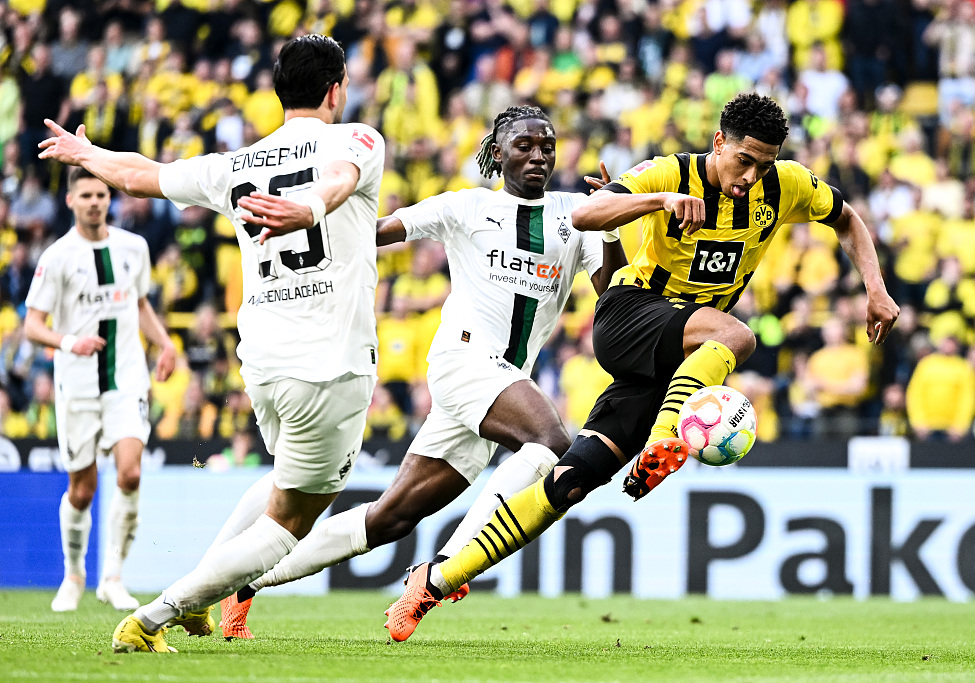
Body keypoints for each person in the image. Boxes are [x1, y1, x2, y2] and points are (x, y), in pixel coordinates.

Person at [384, 93, 900, 640]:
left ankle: (435, 579)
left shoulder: (787, 184)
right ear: (719, 141)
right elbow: (585, 213)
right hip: (630, 314)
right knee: (737, 334)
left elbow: (848, 221)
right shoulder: (669, 171)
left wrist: (876, 288)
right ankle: (664, 439)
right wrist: (660, 200)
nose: (751, 176)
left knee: (570, 481)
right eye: (744, 160)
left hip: (679, 359)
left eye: (764, 164)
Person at [215, 105, 627, 638]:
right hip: (464, 362)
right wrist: (307, 220)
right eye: (525, 146)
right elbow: (380, 230)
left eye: (547, 146)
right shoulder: (466, 207)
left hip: (501, 382)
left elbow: (612, 296)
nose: (539, 156)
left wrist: (611, 224)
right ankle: (440, 573)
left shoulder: (578, 213)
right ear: (498, 153)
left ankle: (243, 583)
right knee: (549, 441)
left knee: (390, 518)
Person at [39, 34, 386, 653]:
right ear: (337, 90)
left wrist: (86, 153)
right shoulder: (358, 137)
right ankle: (158, 614)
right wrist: (307, 210)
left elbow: (143, 176)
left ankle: (195, 600)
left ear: (278, 94)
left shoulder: (237, 164)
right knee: (296, 519)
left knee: (284, 480)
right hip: (328, 364)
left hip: (262, 364)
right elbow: (338, 179)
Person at [23, 167, 177, 613]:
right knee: (82, 489)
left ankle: (113, 576)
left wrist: (165, 343)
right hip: (77, 384)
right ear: (70, 201)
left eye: (102, 194)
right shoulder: (56, 257)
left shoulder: (134, 248)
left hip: (127, 379)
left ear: (110, 200)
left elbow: (141, 303)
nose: (95, 201)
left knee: (130, 473)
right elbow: (33, 325)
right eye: (86, 194)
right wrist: (71, 342)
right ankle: (73, 576)